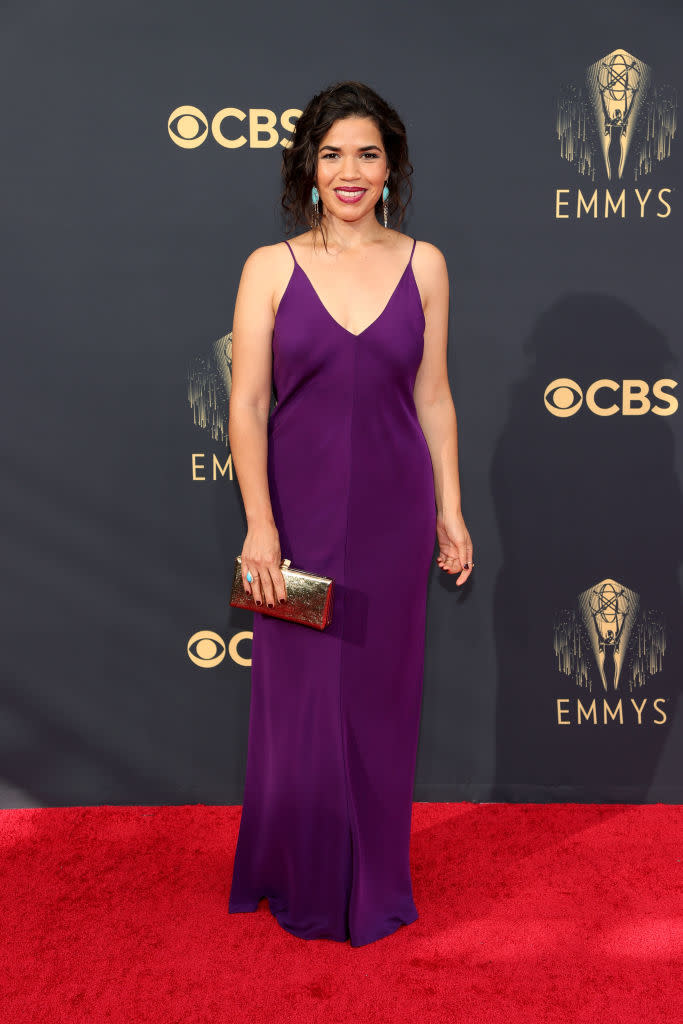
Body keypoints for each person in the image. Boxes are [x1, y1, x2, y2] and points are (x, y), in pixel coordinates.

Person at [227, 80, 473, 947]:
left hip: (392, 517)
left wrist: (449, 507)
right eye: (333, 154)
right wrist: (260, 523)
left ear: (390, 166)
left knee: (375, 700)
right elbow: (247, 405)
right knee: (299, 699)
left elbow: (433, 398)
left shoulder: (426, 264)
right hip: (292, 516)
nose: (350, 171)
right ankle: (296, 871)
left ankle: (371, 879)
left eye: (367, 154)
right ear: (308, 165)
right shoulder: (269, 267)